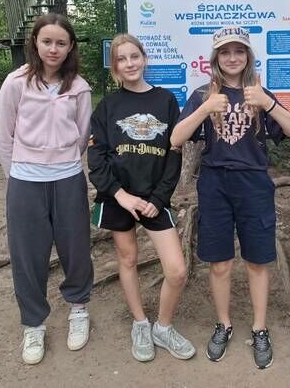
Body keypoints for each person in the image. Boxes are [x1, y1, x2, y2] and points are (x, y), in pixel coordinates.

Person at [170, 25, 290, 369]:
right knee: (219, 262)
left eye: (239, 51)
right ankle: (224, 324)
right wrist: (205, 109)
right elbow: (175, 139)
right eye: (225, 52)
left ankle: (259, 328)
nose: (232, 57)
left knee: (257, 260)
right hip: (215, 184)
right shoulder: (203, 94)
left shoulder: (259, 93)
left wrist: (267, 102)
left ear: (248, 56)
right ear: (216, 58)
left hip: (254, 183)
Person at [86, 33, 195, 363]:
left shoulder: (165, 100)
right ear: (115, 66)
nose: (129, 63)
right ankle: (140, 323)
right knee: (128, 259)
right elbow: (97, 159)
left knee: (176, 270)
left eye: (134, 56)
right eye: (121, 59)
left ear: (144, 59)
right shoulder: (108, 106)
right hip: (119, 197)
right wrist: (121, 196)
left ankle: (163, 326)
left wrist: (159, 199)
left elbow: (174, 154)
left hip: (154, 199)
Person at [0, 13, 93, 365]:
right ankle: (33, 324)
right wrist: (16, 175)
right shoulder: (15, 83)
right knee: (27, 254)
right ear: (35, 43)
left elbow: (82, 135)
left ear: (70, 47)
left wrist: (62, 160)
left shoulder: (79, 88)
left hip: (68, 178)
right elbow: (3, 135)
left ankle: (78, 308)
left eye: (61, 43)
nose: (53, 49)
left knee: (75, 248)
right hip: (25, 181)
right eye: (47, 41)